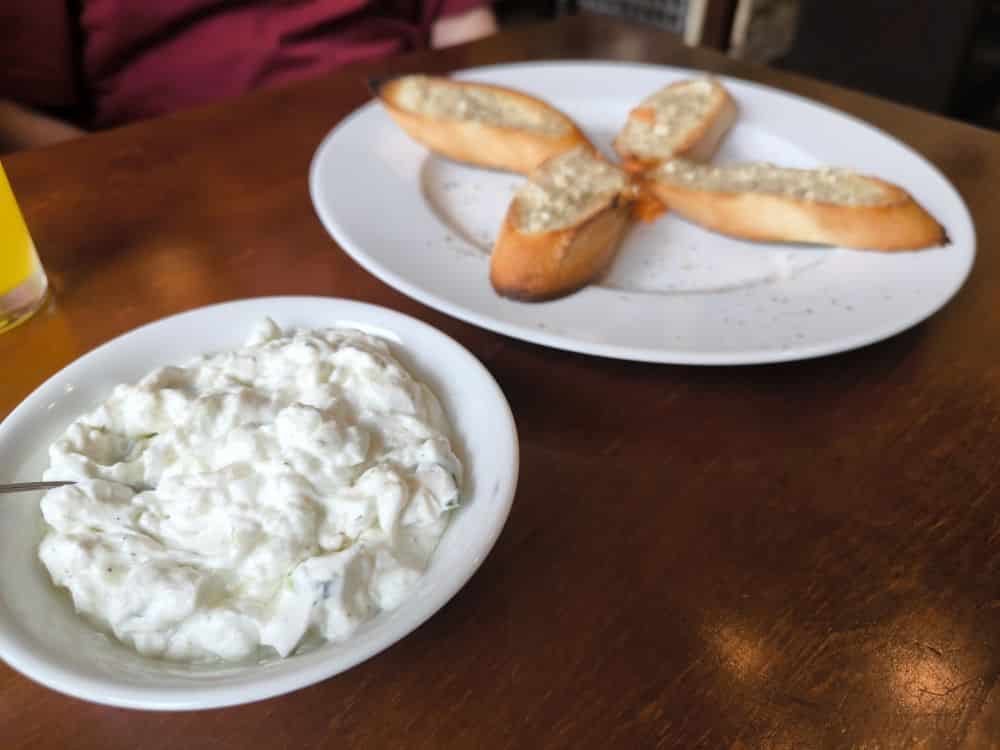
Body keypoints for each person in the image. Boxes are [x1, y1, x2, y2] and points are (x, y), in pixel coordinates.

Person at [0, 0, 497, 153]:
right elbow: (23, 111)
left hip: (397, 134)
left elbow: (463, 23)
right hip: (178, 173)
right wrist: (122, 173)